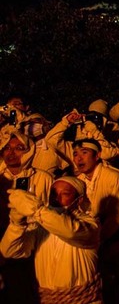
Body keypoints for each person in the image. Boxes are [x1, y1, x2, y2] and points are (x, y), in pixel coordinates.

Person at [1, 176, 102, 304]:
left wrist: (36, 209)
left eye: (64, 194)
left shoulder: (91, 224)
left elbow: (70, 231)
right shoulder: (40, 225)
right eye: (53, 194)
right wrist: (17, 223)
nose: (56, 199)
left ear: (79, 200)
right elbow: (9, 251)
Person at [73, 138, 119, 304]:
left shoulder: (113, 177)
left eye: (84, 153)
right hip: (99, 240)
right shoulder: (79, 181)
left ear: (97, 156)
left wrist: (98, 238)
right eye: (75, 154)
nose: (79, 158)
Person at [0, 127, 54, 304]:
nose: (11, 153)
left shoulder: (42, 178)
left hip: (35, 245)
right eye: (7, 148)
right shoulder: (1, 178)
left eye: (18, 148)